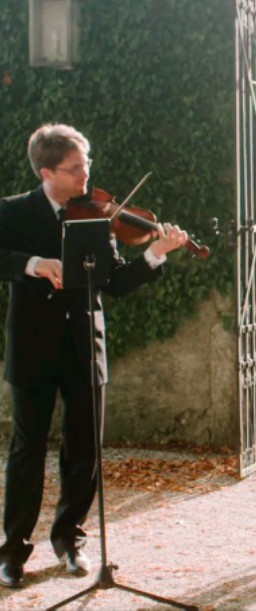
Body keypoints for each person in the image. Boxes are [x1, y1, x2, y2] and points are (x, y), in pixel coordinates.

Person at [0, 124, 189, 588]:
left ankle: (70, 540)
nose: (87, 173)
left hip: (86, 343)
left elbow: (116, 282)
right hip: (32, 346)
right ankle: (12, 552)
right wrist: (32, 264)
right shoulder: (14, 211)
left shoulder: (97, 214)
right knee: (27, 449)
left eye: (87, 163)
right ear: (47, 171)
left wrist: (156, 255)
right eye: (76, 167)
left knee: (84, 449)